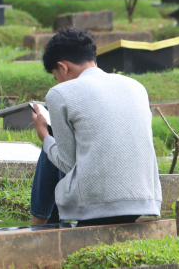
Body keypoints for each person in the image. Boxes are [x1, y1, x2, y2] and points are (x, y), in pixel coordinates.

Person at [29, 28, 162, 227]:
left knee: (50, 147)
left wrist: (44, 135)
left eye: (56, 77)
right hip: (145, 201)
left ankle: (39, 223)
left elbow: (66, 164)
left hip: (95, 206)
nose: (58, 82)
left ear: (62, 67)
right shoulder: (136, 86)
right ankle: (41, 222)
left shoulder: (59, 93)